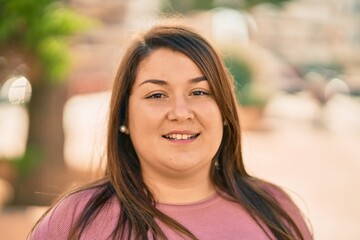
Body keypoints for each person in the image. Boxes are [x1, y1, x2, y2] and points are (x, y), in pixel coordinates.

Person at [29, 24, 312, 240]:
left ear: (224, 112)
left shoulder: (277, 212)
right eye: (156, 95)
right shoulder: (74, 222)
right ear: (124, 117)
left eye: (199, 92)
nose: (180, 112)